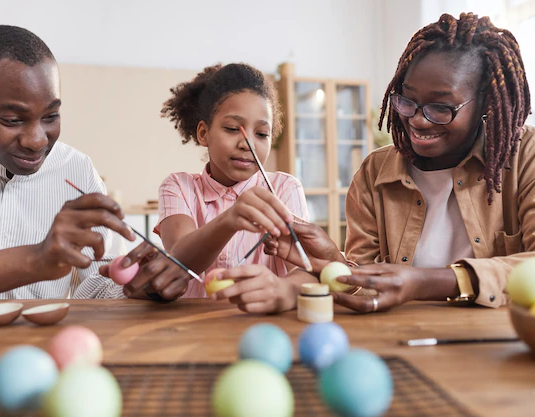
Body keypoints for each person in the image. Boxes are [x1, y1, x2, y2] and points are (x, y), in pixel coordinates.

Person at [263, 12, 534, 312]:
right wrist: (333, 262)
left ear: (486, 103)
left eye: (441, 107)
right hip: (404, 342)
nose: (417, 120)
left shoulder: (525, 157)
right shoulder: (374, 173)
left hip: (500, 348)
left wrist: (425, 282)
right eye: (407, 101)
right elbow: (364, 291)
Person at [0, 25, 137, 311]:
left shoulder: (77, 169)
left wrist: (134, 284)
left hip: (41, 350)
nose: (36, 140)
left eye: (51, 116)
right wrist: (36, 260)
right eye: (13, 120)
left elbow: (101, 290)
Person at [119, 63, 314, 312]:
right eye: (233, 129)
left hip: (263, 325)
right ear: (203, 133)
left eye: (262, 134)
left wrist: (286, 290)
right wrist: (229, 220)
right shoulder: (178, 187)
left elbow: (307, 270)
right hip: (189, 329)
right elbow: (180, 260)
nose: (248, 144)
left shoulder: (285, 188)